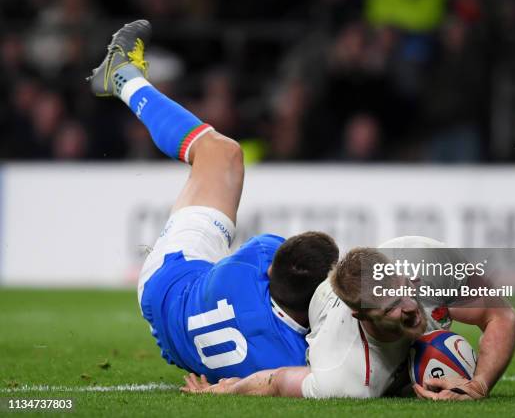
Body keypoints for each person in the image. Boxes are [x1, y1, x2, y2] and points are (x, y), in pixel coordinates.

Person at [87, 20, 339, 383]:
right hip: (177, 339)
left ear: (269, 274)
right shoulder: (301, 359)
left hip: (170, 283)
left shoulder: (252, 262)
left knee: (220, 153)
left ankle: (122, 76)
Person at [182, 236, 515, 400]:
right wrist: (224, 391)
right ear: (362, 317)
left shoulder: (423, 257)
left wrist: (478, 384)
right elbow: (279, 379)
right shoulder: (345, 372)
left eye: (405, 289)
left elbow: (502, 315)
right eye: (390, 308)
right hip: (308, 312)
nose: (409, 308)